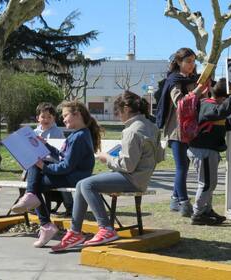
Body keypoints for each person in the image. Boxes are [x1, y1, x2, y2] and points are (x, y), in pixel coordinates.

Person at [52, 91, 162, 252]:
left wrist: (107, 158)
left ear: (125, 109)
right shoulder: (151, 126)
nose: (118, 116)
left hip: (132, 179)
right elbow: (158, 156)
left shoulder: (131, 131)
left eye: (117, 112)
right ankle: (75, 232)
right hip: (141, 178)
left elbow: (127, 166)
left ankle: (105, 229)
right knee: (82, 183)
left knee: (88, 184)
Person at [11, 100, 102, 247]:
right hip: (70, 175)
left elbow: (66, 166)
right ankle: (34, 204)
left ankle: (45, 223)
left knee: (35, 184)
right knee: (35, 174)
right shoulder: (77, 134)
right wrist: (45, 145)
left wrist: (44, 167)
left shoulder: (79, 137)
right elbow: (62, 156)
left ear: (77, 115)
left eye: (66, 115)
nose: (63, 119)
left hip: (73, 178)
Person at [188, 79, 231, 225]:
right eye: (227, 99)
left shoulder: (210, 107)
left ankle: (207, 210)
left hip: (206, 151)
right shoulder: (208, 106)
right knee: (207, 184)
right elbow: (222, 112)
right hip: (203, 151)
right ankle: (198, 214)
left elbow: (221, 122)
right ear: (223, 97)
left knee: (210, 183)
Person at [155, 47, 208, 217]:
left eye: (194, 61)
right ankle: (184, 203)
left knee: (184, 165)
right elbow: (181, 102)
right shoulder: (174, 80)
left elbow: (195, 102)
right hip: (176, 130)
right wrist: (198, 91)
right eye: (188, 61)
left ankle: (174, 200)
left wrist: (203, 92)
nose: (192, 65)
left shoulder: (193, 79)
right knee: (182, 167)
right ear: (179, 62)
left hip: (191, 129)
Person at [34, 102, 73, 216]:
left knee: (62, 181)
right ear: (38, 118)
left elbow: (60, 151)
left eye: (49, 117)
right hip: (38, 163)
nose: (46, 119)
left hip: (54, 163)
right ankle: (38, 205)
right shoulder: (34, 133)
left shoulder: (57, 132)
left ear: (54, 118)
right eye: (43, 117)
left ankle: (70, 206)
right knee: (30, 178)